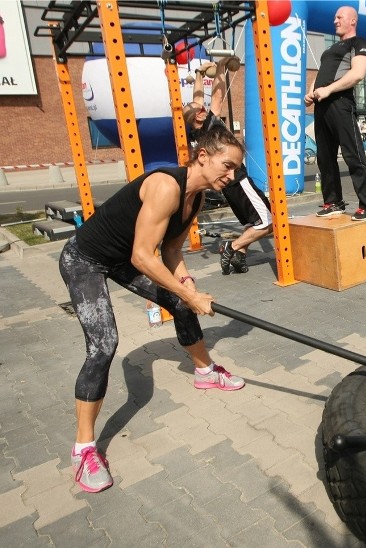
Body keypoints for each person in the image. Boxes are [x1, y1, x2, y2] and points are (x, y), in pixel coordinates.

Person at [58, 123, 246, 494]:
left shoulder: (198, 198)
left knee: (179, 300)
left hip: (121, 259)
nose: (232, 174)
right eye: (227, 165)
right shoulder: (164, 186)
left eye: (236, 169)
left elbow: (171, 251)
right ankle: (83, 450)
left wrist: (188, 287)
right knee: (104, 346)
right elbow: (143, 256)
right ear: (203, 156)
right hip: (85, 260)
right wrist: (191, 297)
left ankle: (205, 371)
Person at [183, 58, 273, 275]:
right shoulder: (209, 126)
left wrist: (198, 74)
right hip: (238, 179)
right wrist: (221, 66)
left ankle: (240, 256)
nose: (203, 107)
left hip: (226, 184)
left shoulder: (194, 131)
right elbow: (217, 97)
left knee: (252, 220)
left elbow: (195, 99)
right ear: (199, 116)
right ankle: (232, 246)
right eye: (201, 108)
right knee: (268, 221)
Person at [304, 5, 366, 221]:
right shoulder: (328, 51)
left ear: (352, 20)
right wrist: (311, 92)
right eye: (334, 17)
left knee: (353, 155)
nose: (335, 20)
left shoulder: (360, 44)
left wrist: (328, 89)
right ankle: (333, 202)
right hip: (322, 106)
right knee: (324, 158)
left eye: (339, 17)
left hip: (341, 104)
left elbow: (357, 74)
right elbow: (320, 75)